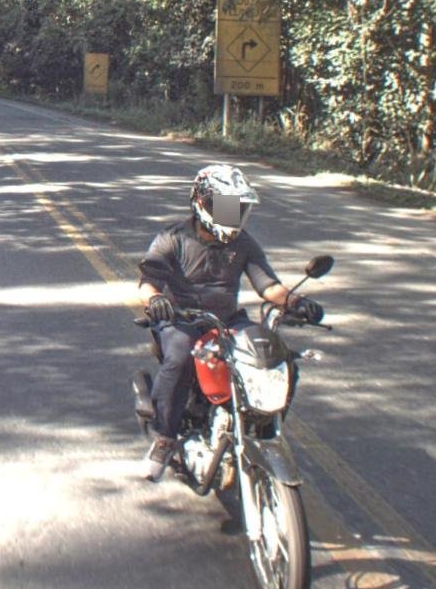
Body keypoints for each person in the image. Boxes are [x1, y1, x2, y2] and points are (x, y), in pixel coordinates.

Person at [134, 163, 314, 481]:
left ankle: (263, 432)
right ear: (202, 204)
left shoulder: (243, 244)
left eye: (238, 208)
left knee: (278, 359)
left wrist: (296, 302)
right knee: (180, 358)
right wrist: (156, 301)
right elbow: (148, 283)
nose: (234, 215)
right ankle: (164, 438)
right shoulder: (172, 238)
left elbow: (268, 286)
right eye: (226, 207)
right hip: (181, 319)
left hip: (228, 320)